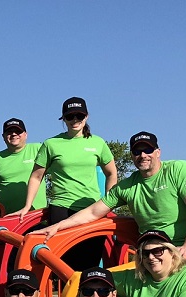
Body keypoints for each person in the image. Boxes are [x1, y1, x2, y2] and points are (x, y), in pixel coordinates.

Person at [38, 131, 186, 260]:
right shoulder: (127, 186)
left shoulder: (179, 169)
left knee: (182, 293)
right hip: (154, 251)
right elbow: (93, 212)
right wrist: (58, 226)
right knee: (124, 290)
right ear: (131, 156)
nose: (142, 155)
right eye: (137, 151)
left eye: (147, 150)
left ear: (158, 152)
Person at [10, 97, 120, 265]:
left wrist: (109, 202)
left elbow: (112, 173)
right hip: (61, 207)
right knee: (64, 263)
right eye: (70, 117)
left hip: (91, 208)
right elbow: (36, 176)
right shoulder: (51, 144)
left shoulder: (98, 143)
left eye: (79, 116)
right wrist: (27, 206)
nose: (75, 120)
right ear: (63, 119)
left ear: (86, 117)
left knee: (90, 262)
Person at [0, 118, 45, 215]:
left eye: (18, 131)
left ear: (26, 134)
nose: (13, 134)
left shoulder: (39, 149)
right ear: (3, 136)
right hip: (8, 217)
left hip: (37, 216)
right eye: (9, 132)